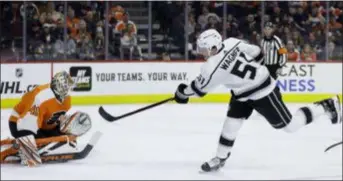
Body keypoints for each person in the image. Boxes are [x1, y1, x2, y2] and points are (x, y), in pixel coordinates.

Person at [173, 29, 342, 172]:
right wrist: (255, 71)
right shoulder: (232, 42)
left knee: (290, 126)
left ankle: (325, 106)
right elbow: (257, 52)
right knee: (231, 124)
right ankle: (220, 158)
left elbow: (198, 89)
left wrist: (182, 93)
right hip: (243, 93)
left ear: (214, 46)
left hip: (263, 91)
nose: (202, 52)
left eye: (204, 48)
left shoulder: (211, 67)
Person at [1, 71, 92, 166]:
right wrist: (34, 143)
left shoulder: (67, 100)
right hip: (19, 122)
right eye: (66, 86)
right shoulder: (40, 97)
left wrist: (63, 127)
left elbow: (54, 119)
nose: (68, 89)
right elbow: (27, 122)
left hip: (42, 125)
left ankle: (37, 145)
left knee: (56, 138)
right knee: (36, 139)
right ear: (59, 85)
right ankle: (23, 151)